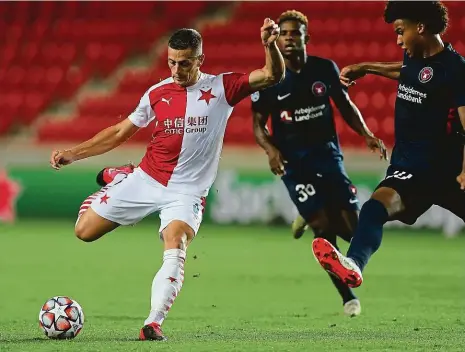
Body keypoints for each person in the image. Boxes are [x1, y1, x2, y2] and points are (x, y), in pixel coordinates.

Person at [49, 20, 285, 341]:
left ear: (200, 60)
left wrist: (270, 45)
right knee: (84, 232)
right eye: (171, 61)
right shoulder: (157, 93)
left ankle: (153, 322)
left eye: (185, 63)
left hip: (186, 192)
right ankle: (120, 177)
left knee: (176, 244)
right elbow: (121, 131)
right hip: (145, 178)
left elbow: (272, 75)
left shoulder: (221, 87)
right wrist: (74, 153)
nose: (176, 69)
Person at [312, 1, 465, 290]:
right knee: (374, 209)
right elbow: (407, 72)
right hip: (410, 168)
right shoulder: (415, 55)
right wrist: (366, 67)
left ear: (420, 27)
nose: (397, 39)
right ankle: (354, 264)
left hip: (448, 172)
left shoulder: (456, 70)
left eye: (400, 31)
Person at [251, 10, 387, 317]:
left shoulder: (324, 69)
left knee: (352, 230)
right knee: (324, 232)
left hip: (327, 156)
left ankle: (306, 216)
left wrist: (366, 134)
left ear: (305, 38)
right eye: (283, 33)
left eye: (293, 33)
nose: (287, 38)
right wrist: (271, 150)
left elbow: (346, 105)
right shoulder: (270, 78)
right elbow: (258, 124)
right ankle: (347, 297)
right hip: (294, 165)